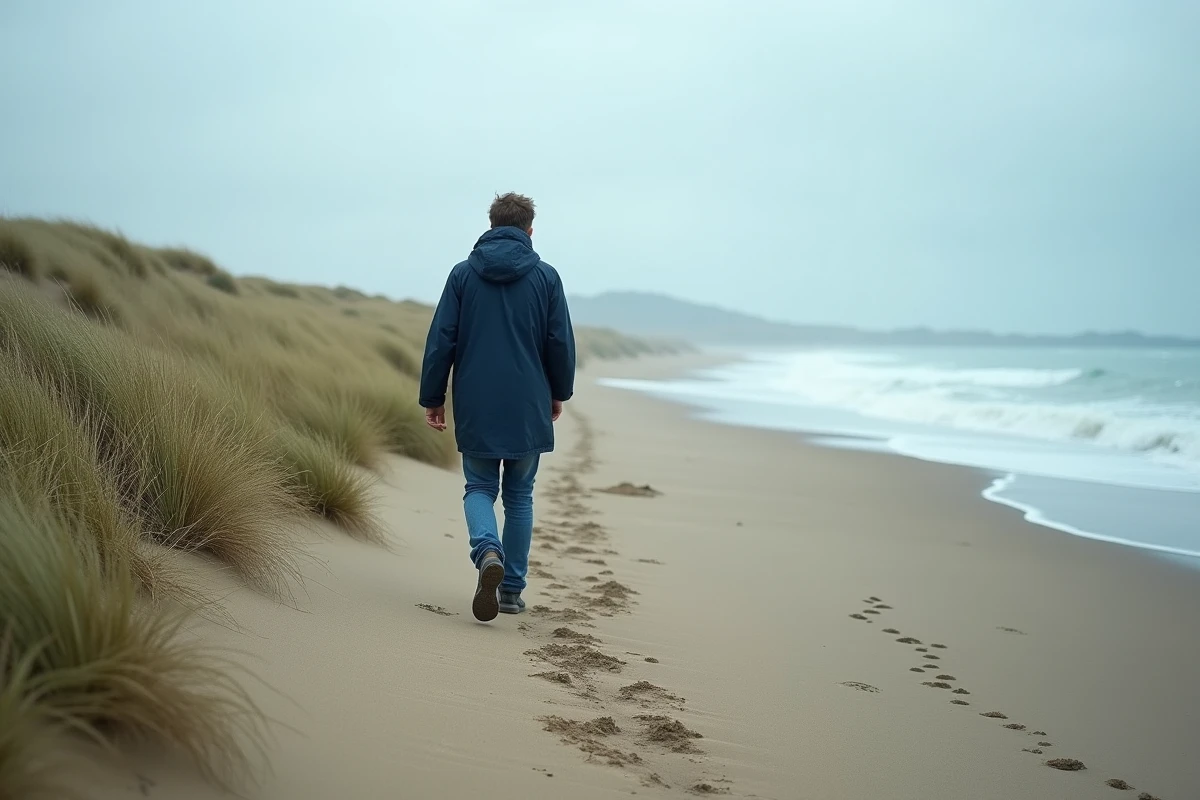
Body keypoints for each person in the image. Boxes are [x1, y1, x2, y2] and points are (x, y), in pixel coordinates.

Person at [419, 193, 576, 622]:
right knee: (520, 496)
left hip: (477, 401)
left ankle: (488, 550)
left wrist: (433, 396)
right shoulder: (546, 277)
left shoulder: (463, 276)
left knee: (480, 488)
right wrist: (558, 391)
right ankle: (510, 591)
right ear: (529, 230)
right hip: (528, 401)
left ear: (491, 225)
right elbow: (559, 341)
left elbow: (441, 340)